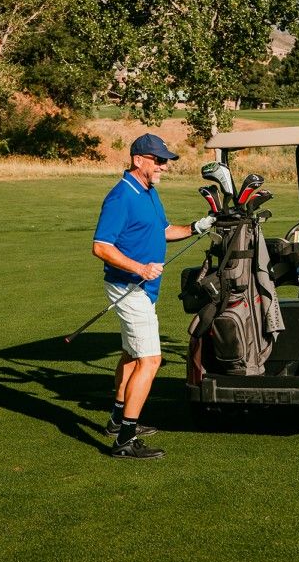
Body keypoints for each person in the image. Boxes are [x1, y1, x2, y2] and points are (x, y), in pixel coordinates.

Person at [92, 133, 215, 460]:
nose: (164, 166)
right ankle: (124, 441)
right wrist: (140, 268)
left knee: (132, 356)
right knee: (150, 360)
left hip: (142, 289)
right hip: (129, 288)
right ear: (138, 161)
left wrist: (197, 226)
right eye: (158, 160)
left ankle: (117, 422)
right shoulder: (121, 196)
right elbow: (101, 246)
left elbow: (162, 231)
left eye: (165, 161)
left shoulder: (148, 192)